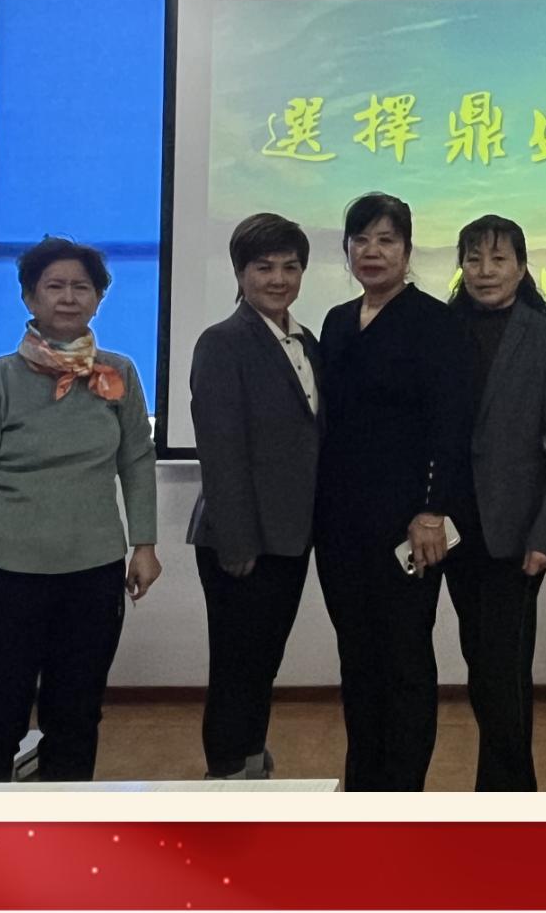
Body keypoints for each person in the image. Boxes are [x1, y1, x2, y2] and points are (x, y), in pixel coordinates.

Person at [0, 237, 160, 783]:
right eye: (54, 286)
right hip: (4, 573)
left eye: (81, 287)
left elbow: (136, 459)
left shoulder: (118, 373)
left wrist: (145, 543)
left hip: (93, 572)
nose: (68, 297)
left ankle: (64, 829)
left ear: (98, 299)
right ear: (29, 298)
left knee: (76, 717)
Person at [314, 192, 472, 791]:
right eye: (361, 240)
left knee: (404, 659)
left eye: (386, 240)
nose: (372, 251)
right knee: (356, 658)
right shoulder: (336, 322)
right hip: (339, 525)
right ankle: (363, 790)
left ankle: (403, 795)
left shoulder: (435, 322)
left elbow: (450, 427)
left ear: (407, 251)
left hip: (408, 526)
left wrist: (432, 511)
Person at [442, 214, 546, 790]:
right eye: (474, 258)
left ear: (522, 268)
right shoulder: (443, 330)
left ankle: (509, 798)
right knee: (480, 662)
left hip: (519, 534)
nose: (485, 271)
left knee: (504, 668)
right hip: (453, 530)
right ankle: (502, 794)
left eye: (499, 259)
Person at [186, 214, 324, 781]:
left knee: (263, 658)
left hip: (289, 534)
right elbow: (220, 449)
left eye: (290, 267)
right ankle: (226, 770)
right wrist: (237, 540)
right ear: (240, 272)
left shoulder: (306, 341)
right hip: (241, 540)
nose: (278, 279)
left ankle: (249, 757)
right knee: (237, 663)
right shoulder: (223, 342)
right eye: (264, 267)